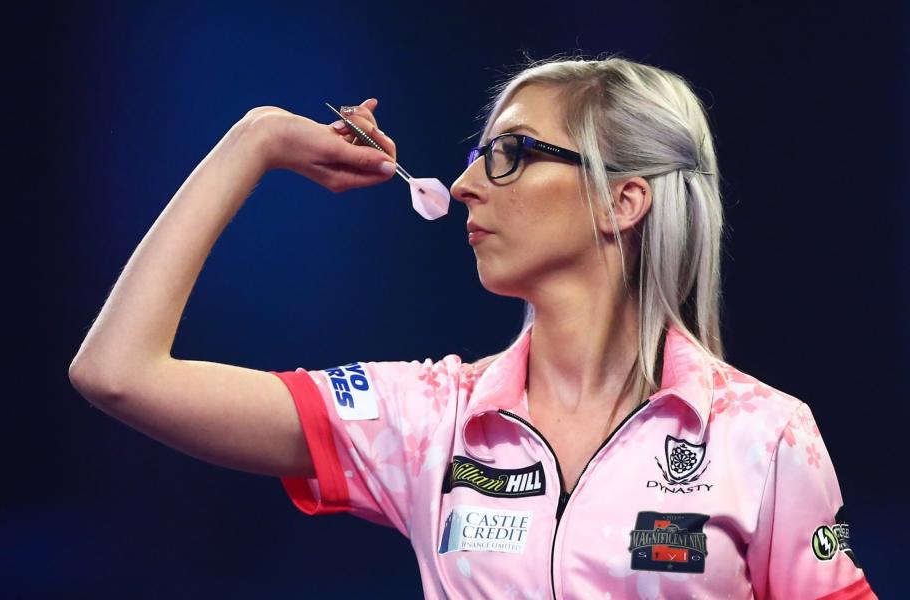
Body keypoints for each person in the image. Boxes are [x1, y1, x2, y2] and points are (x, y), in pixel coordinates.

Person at [69, 55, 877, 599]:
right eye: (475, 154)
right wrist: (255, 140)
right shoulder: (427, 419)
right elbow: (118, 372)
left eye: (509, 154)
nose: (460, 187)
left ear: (620, 200)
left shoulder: (765, 437)